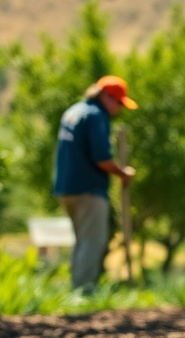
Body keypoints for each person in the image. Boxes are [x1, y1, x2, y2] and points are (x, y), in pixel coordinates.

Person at [52, 75, 137, 291]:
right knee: (93, 241)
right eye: (118, 103)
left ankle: (76, 289)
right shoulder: (96, 116)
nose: (118, 109)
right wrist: (122, 173)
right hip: (88, 188)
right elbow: (102, 158)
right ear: (107, 97)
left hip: (66, 187)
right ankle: (84, 291)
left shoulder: (73, 111)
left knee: (82, 241)